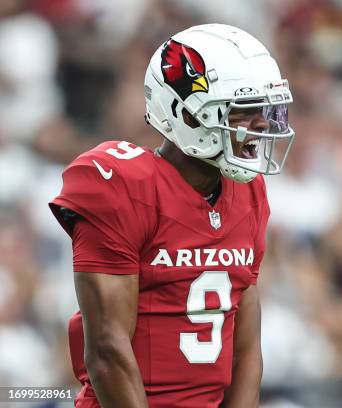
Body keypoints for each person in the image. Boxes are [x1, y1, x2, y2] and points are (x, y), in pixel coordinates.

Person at [49, 24, 295, 408]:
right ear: (188, 113)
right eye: (244, 110)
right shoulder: (122, 184)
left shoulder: (248, 191)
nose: (261, 124)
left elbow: (246, 347)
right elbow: (107, 350)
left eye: (264, 110)